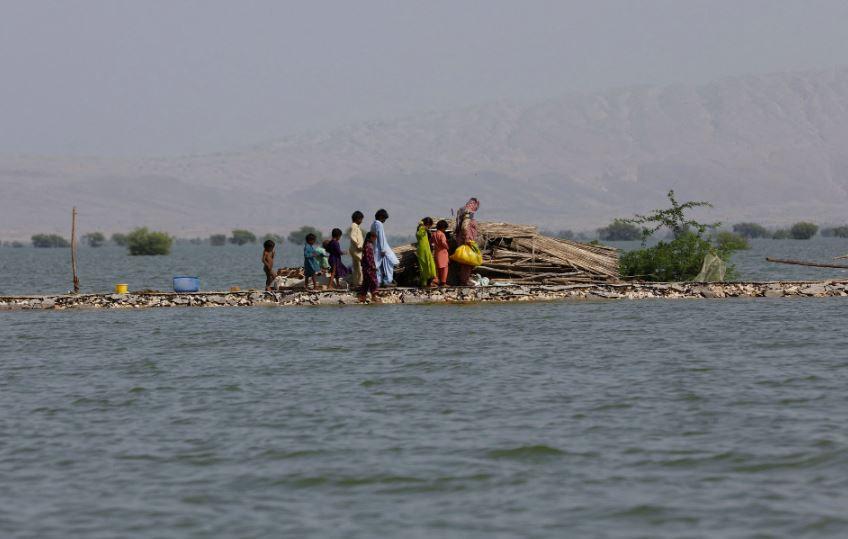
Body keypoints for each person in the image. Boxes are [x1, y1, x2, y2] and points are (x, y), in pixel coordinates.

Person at [454, 197, 480, 285]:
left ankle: (464, 279)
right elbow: (465, 228)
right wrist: (468, 240)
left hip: (463, 242)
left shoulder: (462, 212)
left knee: (465, 262)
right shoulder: (467, 215)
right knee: (467, 262)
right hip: (467, 242)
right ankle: (464, 280)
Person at [370, 209, 399, 287]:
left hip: (375, 248)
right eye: (384, 218)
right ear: (381, 217)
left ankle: (378, 281)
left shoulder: (373, 224)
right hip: (382, 249)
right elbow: (381, 237)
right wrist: (383, 249)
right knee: (389, 264)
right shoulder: (379, 224)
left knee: (378, 266)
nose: (384, 221)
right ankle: (387, 281)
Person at [358, 231, 380, 303]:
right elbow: (368, 258)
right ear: (371, 237)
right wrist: (372, 266)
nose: (375, 240)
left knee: (366, 282)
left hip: (366, 267)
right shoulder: (368, 245)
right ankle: (373, 297)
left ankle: (362, 297)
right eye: (374, 238)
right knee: (373, 281)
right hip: (369, 267)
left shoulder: (367, 245)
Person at [415, 217, 437, 287]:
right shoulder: (421, 229)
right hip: (422, 250)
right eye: (429, 225)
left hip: (426, 250)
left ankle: (428, 282)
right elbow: (418, 234)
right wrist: (424, 228)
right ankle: (424, 283)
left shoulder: (424, 229)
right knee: (424, 266)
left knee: (430, 265)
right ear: (427, 224)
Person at [348, 211, 365, 287]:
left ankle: (356, 283)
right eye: (361, 219)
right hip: (357, 250)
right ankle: (360, 282)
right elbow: (352, 236)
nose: (361, 221)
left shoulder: (355, 226)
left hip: (354, 250)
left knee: (356, 266)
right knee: (360, 266)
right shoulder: (354, 226)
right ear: (358, 219)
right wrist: (358, 245)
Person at [433, 220, 450, 287]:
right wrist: (447, 247)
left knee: (437, 268)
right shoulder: (442, 234)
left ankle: (435, 281)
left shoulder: (434, 234)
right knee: (444, 268)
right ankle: (443, 282)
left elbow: (430, 242)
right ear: (443, 228)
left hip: (436, 253)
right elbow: (443, 242)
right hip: (443, 253)